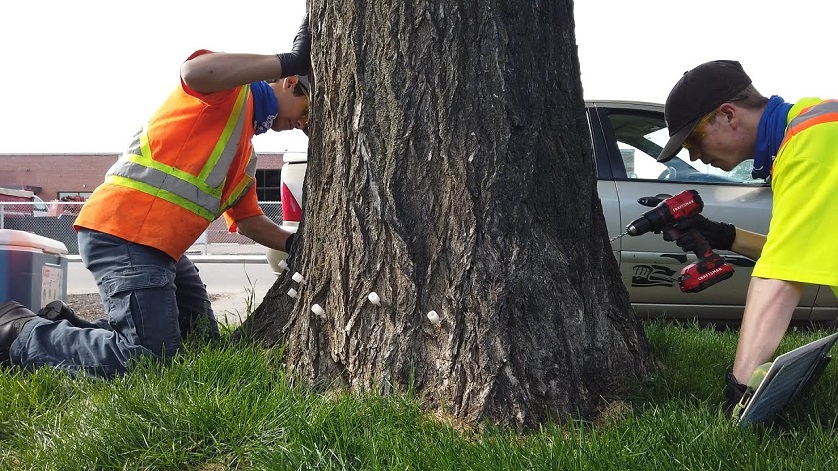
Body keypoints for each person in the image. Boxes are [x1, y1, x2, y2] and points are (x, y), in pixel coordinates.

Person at [0, 16, 312, 377]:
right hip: (123, 233)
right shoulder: (230, 90)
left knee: (199, 343)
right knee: (149, 358)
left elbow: (248, 221)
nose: (303, 124)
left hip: (163, 251)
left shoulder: (244, 154)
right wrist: (291, 58)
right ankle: (19, 334)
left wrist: (298, 245)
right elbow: (195, 71)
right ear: (291, 83)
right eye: (305, 112)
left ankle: (60, 323)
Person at [655, 60, 838, 415]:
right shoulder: (812, 127)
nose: (694, 155)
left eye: (693, 138)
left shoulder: (811, 146)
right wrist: (722, 234)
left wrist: (740, 391)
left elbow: (779, 278)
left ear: (728, 115)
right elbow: (793, 252)